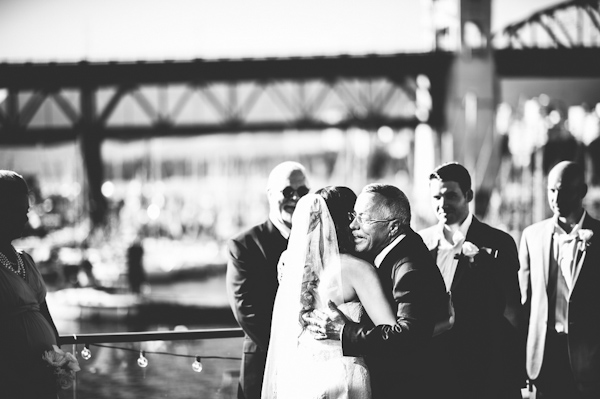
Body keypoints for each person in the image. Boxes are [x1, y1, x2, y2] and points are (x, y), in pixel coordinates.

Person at [307, 183, 448, 399]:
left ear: (392, 228)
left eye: (363, 219)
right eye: (352, 216)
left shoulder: (410, 268)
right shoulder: (378, 253)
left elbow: (408, 337)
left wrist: (345, 332)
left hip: (408, 388)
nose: (352, 225)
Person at [262, 187, 396, 398]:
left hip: (303, 377)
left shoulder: (291, 265)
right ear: (347, 219)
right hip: (343, 375)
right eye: (356, 215)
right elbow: (392, 333)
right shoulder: (356, 269)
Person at [418, 162, 523, 399]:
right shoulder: (419, 244)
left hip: (482, 369)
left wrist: (515, 368)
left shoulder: (498, 243)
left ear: (469, 195)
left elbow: (512, 310)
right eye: (436, 197)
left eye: (451, 196)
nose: (442, 204)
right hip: (432, 368)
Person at [226, 161, 309, 399]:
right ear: (271, 194)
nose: (295, 197)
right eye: (287, 191)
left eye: (302, 191)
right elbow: (247, 312)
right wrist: (295, 351)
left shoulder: (318, 240)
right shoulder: (243, 246)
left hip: (311, 370)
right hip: (264, 364)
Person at [519, 161, 600, 398]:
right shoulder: (531, 236)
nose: (555, 197)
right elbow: (526, 302)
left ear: (582, 191)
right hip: (543, 357)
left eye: (563, 190)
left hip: (590, 359)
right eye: (551, 190)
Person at [0, 170, 61, 398]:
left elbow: (44, 313)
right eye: (18, 210)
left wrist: (57, 357)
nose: (25, 218)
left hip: (43, 378)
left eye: (26, 211)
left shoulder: (26, 260)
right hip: (13, 380)